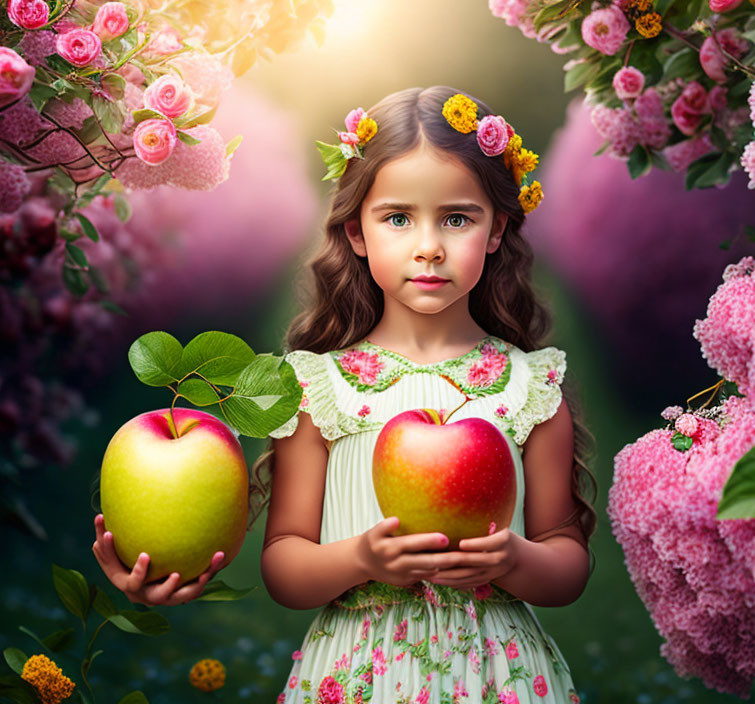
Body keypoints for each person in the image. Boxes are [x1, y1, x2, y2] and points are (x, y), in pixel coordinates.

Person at [93, 85, 597, 703]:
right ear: (357, 231)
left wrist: (512, 560)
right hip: (361, 673)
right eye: (398, 218)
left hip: (499, 674)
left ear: (497, 230)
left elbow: (567, 562)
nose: (429, 245)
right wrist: (362, 558)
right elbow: (285, 565)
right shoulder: (319, 386)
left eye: (458, 218)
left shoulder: (529, 386)